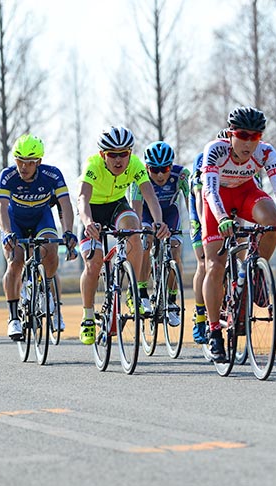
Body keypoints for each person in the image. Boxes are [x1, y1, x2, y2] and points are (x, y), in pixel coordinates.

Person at [202, 107, 276, 362]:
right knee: (215, 264)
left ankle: (255, 272)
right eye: (243, 135)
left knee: (272, 219)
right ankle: (214, 330)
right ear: (231, 133)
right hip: (217, 200)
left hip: (246, 192)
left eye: (255, 136)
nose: (248, 142)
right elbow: (210, 191)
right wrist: (223, 218)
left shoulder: (266, 151)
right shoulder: (215, 149)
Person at [77, 126, 170, 345]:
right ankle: (88, 317)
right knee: (93, 264)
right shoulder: (93, 165)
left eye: (123, 154)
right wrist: (88, 222)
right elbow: (82, 198)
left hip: (117, 206)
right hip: (92, 209)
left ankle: (134, 290)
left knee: (134, 227)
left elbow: (150, 196)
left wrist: (158, 221)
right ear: (103, 155)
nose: (119, 160)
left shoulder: (136, 164)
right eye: (112, 154)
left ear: (130, 153)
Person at [0, 134, 78, 340]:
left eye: (29, 162)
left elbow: (66, 204)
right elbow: (2, 207)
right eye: (19, 161)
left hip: (41, 218)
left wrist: (68, 231)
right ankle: (13, 317)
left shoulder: (52, 175)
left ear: (39, 162)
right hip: (15, 221)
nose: (23, 167)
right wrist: (7, 232)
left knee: (51, 250)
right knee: (15, 261)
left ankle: (49, 295)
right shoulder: (8, 176)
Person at [130, 140, 190, 325]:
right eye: (154, 169)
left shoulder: (181, 175)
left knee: (175, 251)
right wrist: (142, 231)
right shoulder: (139, 178)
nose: (160, 174)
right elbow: (136, 211)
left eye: (165, 169)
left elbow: (191, 203)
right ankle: (141, 293)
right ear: (147, 167)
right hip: (147, 214)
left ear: (171, 166)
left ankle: (171, 299)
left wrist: (198, 226)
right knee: (145, 240)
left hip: (170, 213)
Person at [189, 129, 229, 344]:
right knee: (205, 262)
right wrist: (208, 230)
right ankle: (201, 315)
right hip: (203, 207)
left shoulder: (246, 161)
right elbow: (200, 198)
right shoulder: (204, 159)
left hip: (229, 206)